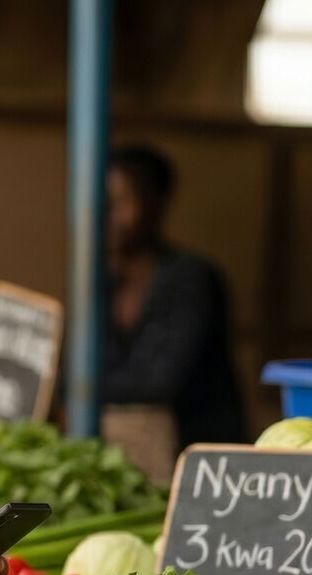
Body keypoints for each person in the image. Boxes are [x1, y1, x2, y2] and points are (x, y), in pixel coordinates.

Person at [102, 145, 244, 464]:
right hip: (137, 460)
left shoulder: (192, 279)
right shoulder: (100, 285)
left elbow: (159, 381)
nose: (109, 215)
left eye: (122, 202)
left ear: (157, 204)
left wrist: (75, 391)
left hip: (205, 462)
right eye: (104, 202)